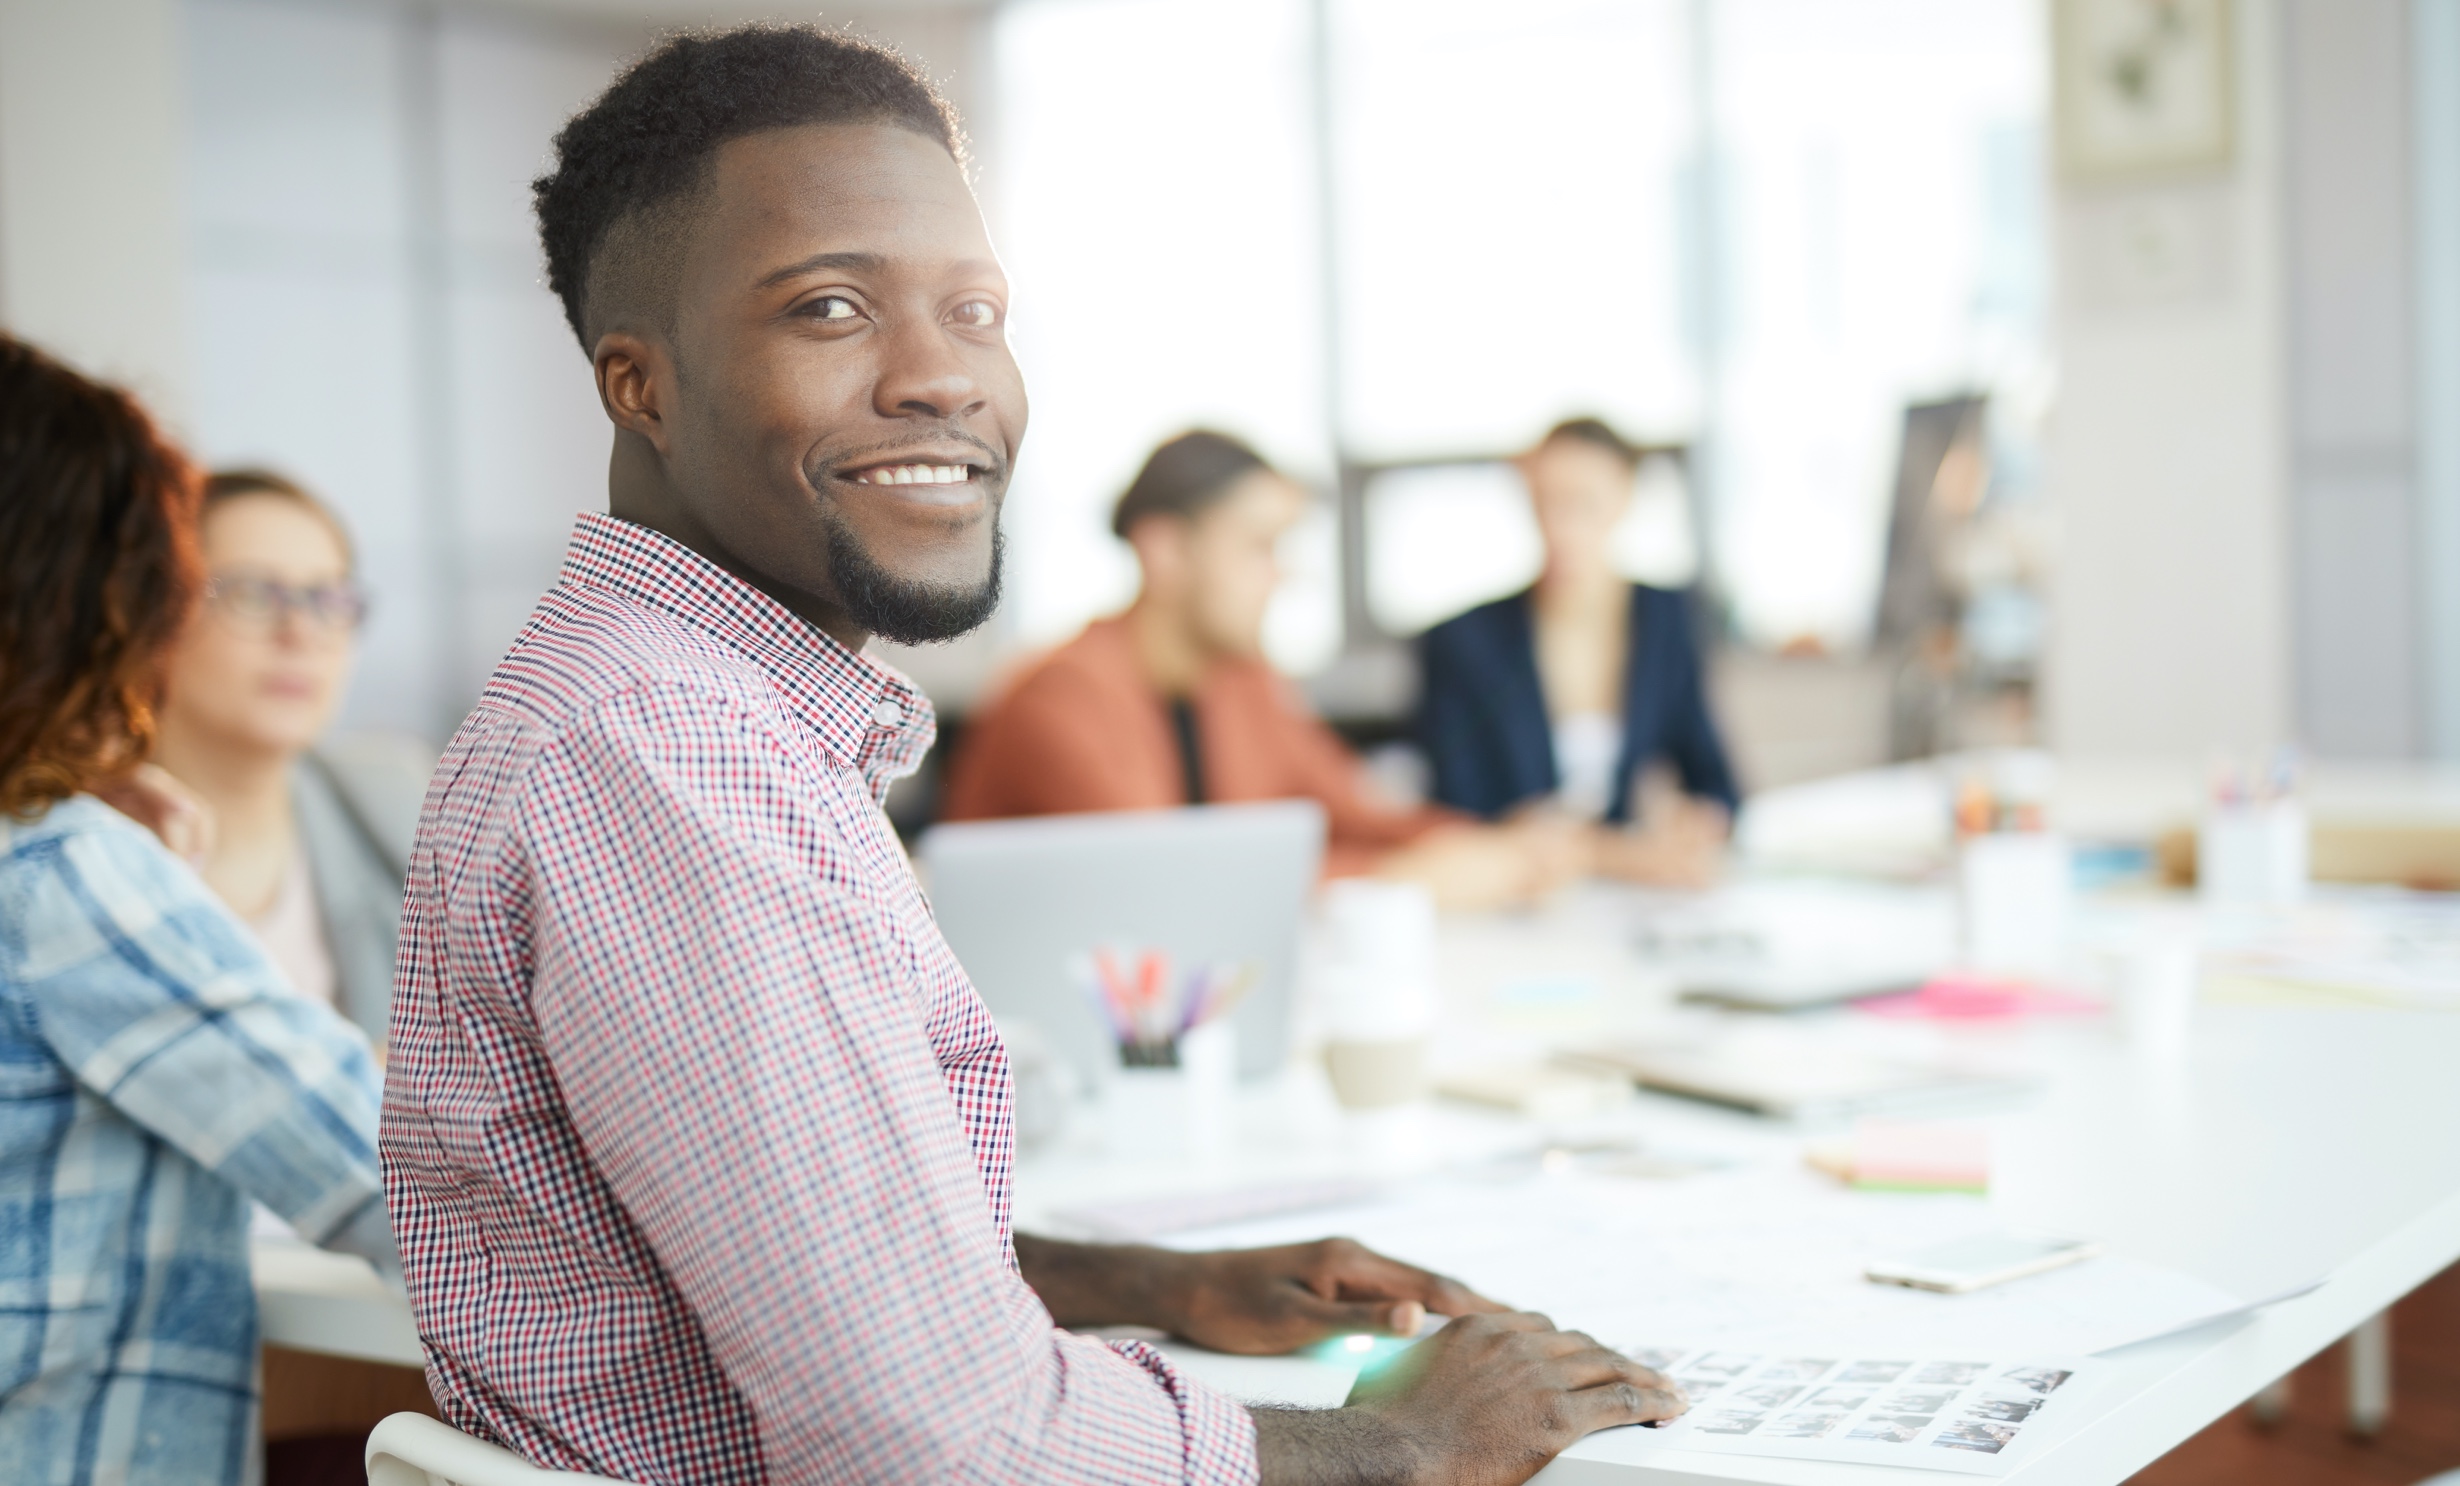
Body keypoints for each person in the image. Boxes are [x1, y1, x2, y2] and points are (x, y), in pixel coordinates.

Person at [382, 27, 1681, 1486]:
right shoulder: (669, 757)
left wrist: (1154, 1282)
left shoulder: (697, 715)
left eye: (977, 309)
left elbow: (786, 1240)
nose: (944, 377)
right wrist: (1403, 1441)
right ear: (644, 388)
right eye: (829, 307)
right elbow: (940, 1438)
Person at [0, 335, 396, 1484]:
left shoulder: (81, 860)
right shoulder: (61, 877)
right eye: (237, 589)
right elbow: (406, 1178)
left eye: (329, 597)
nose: (301, 630)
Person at [944, 430, 1581, 910]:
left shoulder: (1240, 683)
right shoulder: (1058, 701)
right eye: (1260, 548)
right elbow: (1178, 894)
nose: (1286, 576)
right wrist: (1395, 883)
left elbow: (1360, 811)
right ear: (1165, 551)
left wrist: (1500, 847)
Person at [151, 469, 429, 1043]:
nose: (302, 632)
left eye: (330, 599)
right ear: (152, 616)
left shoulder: (396, 798)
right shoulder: (73, 848)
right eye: (252, 594)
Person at [1415, 418, 1742, 888]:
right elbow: (1458, 813)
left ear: (1624, 498)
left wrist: (1697, 821)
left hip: (1635, 898)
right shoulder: (1465, 641)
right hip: (1519, 898)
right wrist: (1613, 855)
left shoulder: (1668, 619)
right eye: (1545, 504)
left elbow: (1716, 782)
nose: (1560, 528)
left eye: (1582, 504)